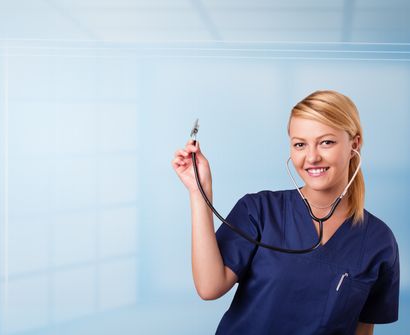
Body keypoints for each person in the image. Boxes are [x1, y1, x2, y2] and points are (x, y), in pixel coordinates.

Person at [171, 90, 399, 335]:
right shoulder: (258, 211)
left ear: (354, 144)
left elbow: (363, 330)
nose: (312, 157)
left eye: (326, 142)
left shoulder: (379, 241)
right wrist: (199, 191)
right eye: (300, 144)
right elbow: (209, 287)